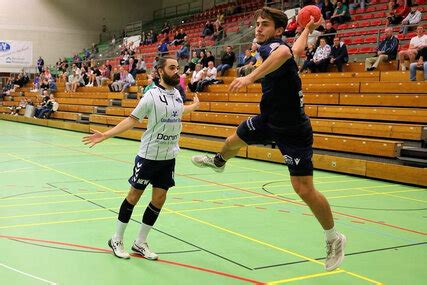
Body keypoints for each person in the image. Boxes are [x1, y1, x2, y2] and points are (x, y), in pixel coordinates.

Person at [190, 7, 346, 272]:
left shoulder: (272, 47)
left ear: (278, 30)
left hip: (293, 129)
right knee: (232, 141)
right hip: (268, 120)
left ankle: (334, 238)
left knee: (304, 189)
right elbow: (295, 51)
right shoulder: (276, 47)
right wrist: (307, 30)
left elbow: (285, 52)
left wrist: (250, 76)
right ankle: (218, 162)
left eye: (264, 24)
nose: (258, 28)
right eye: (257, 24)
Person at [82, 56, 200, 260]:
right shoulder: (150, 97)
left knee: (159, 199)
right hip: (148, 155)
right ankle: (116, 239)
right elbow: (131, 120)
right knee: (134, 196)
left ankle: (140, 242)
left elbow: (179, 111)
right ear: (161, 71)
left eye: (177, 68)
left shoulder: (178, 95)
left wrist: (194, 106)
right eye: (172, 68)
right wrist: (106, 135)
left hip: (168, 156)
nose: (176, 71)